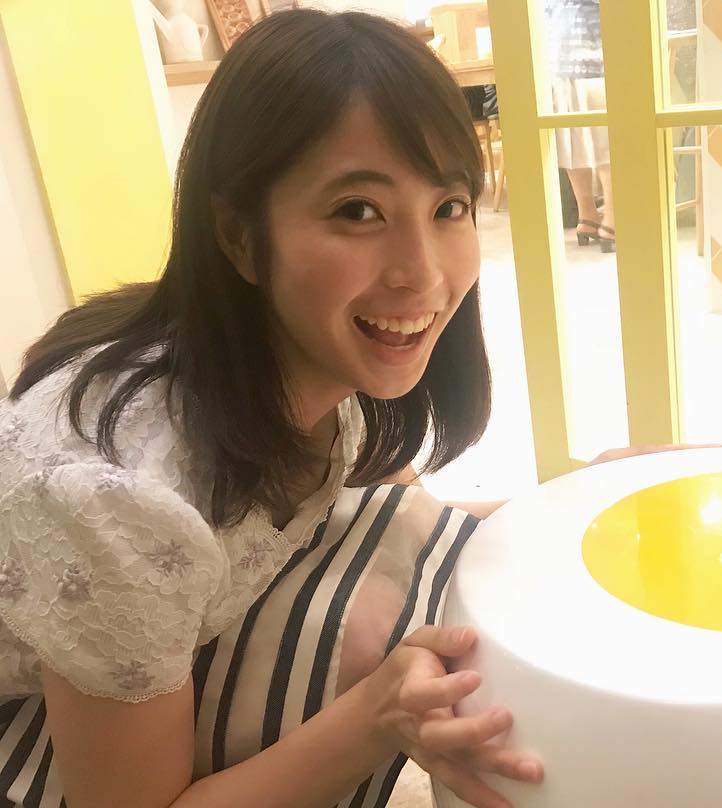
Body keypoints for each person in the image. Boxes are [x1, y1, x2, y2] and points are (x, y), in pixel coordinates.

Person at [0, 11, 542, 808]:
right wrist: (376, 718)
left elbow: (418, 514)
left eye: (449, 206)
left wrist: (574, 507)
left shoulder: (311, 359)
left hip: (121, 668)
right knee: (379, 634)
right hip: (32, 722)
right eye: (358, 210)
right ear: (240, 236)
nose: (424, 275)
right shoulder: (120, 502)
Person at [544, 0, 616, 252]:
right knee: (607, 137)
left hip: (556, 48)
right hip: (595, 46)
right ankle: (612, 220)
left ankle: (587, 216)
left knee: (572, 135)